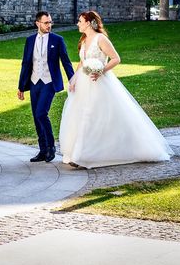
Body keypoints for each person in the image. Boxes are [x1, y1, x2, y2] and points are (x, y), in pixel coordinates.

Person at [59, 10, 173, 169]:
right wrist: (74, 79)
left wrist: (101, 71)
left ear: (89, 22)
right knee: (82, 116)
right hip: (84, 84)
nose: (78, 23)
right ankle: (79, 154)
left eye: (80, 21)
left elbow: (116, 58)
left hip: (99, 83)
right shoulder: (84, 40)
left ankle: (81, 156)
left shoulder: (101, 39)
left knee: (92, 116)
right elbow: (82, 62)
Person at [18, 11, 75, 162]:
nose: (49, 25)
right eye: (46, 23)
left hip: (49, 82)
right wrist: (21, 86)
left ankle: (51, 147)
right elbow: (26, 63)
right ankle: (42, 151)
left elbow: (66, 61)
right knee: (37, 118)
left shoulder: (57, 40)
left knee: (41, 114)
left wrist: (73, 80)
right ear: (38, 23)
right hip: (34, 82)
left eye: (50, 22)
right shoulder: (30, 40)